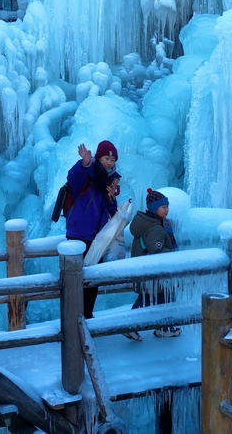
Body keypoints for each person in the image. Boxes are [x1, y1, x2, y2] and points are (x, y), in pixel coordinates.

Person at [65, 140, 120, 319]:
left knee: (93, 277)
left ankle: (87, 314)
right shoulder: (88, 172)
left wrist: (112, 198)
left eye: (113, 160)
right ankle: (74, 316)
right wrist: (85, 163)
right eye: (106, 158)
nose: (110, 162)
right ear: (99, 157)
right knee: (76, 277)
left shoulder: (110, 182)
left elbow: (113, 212)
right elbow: (72, 179)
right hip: (79, 233)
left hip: (98, 237)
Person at [123, 188, 181, 340]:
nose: (167, 210)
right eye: (163, 207)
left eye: (167, 206)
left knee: (155, 298)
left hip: (147, 272)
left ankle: (162, 327)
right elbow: (156, 251)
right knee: (152, 298)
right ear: (154, 209)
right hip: (153, 272)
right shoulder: (155, 228)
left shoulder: (148, 222)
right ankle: (131, 326)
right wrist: (172, 255)